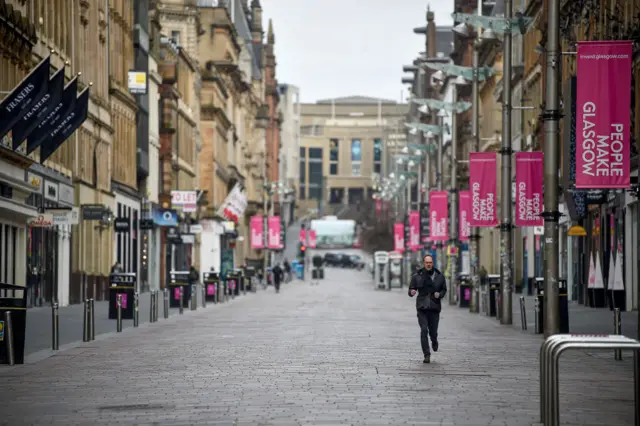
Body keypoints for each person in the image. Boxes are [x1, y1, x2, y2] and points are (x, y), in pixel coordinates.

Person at [408, 254, 447, 364]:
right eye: (426, 262)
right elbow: (411, 289)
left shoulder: (440, 276)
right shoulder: (417, 276)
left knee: (433, 332)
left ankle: (434, 340)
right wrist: (412, 292)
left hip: (434, 307)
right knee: (424, 330)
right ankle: (426, 354)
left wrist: (440, 294)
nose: (428, 264)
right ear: (424, 263)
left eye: (430, 262)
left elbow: (444, 290)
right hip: (422, 307)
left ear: (432, 263)